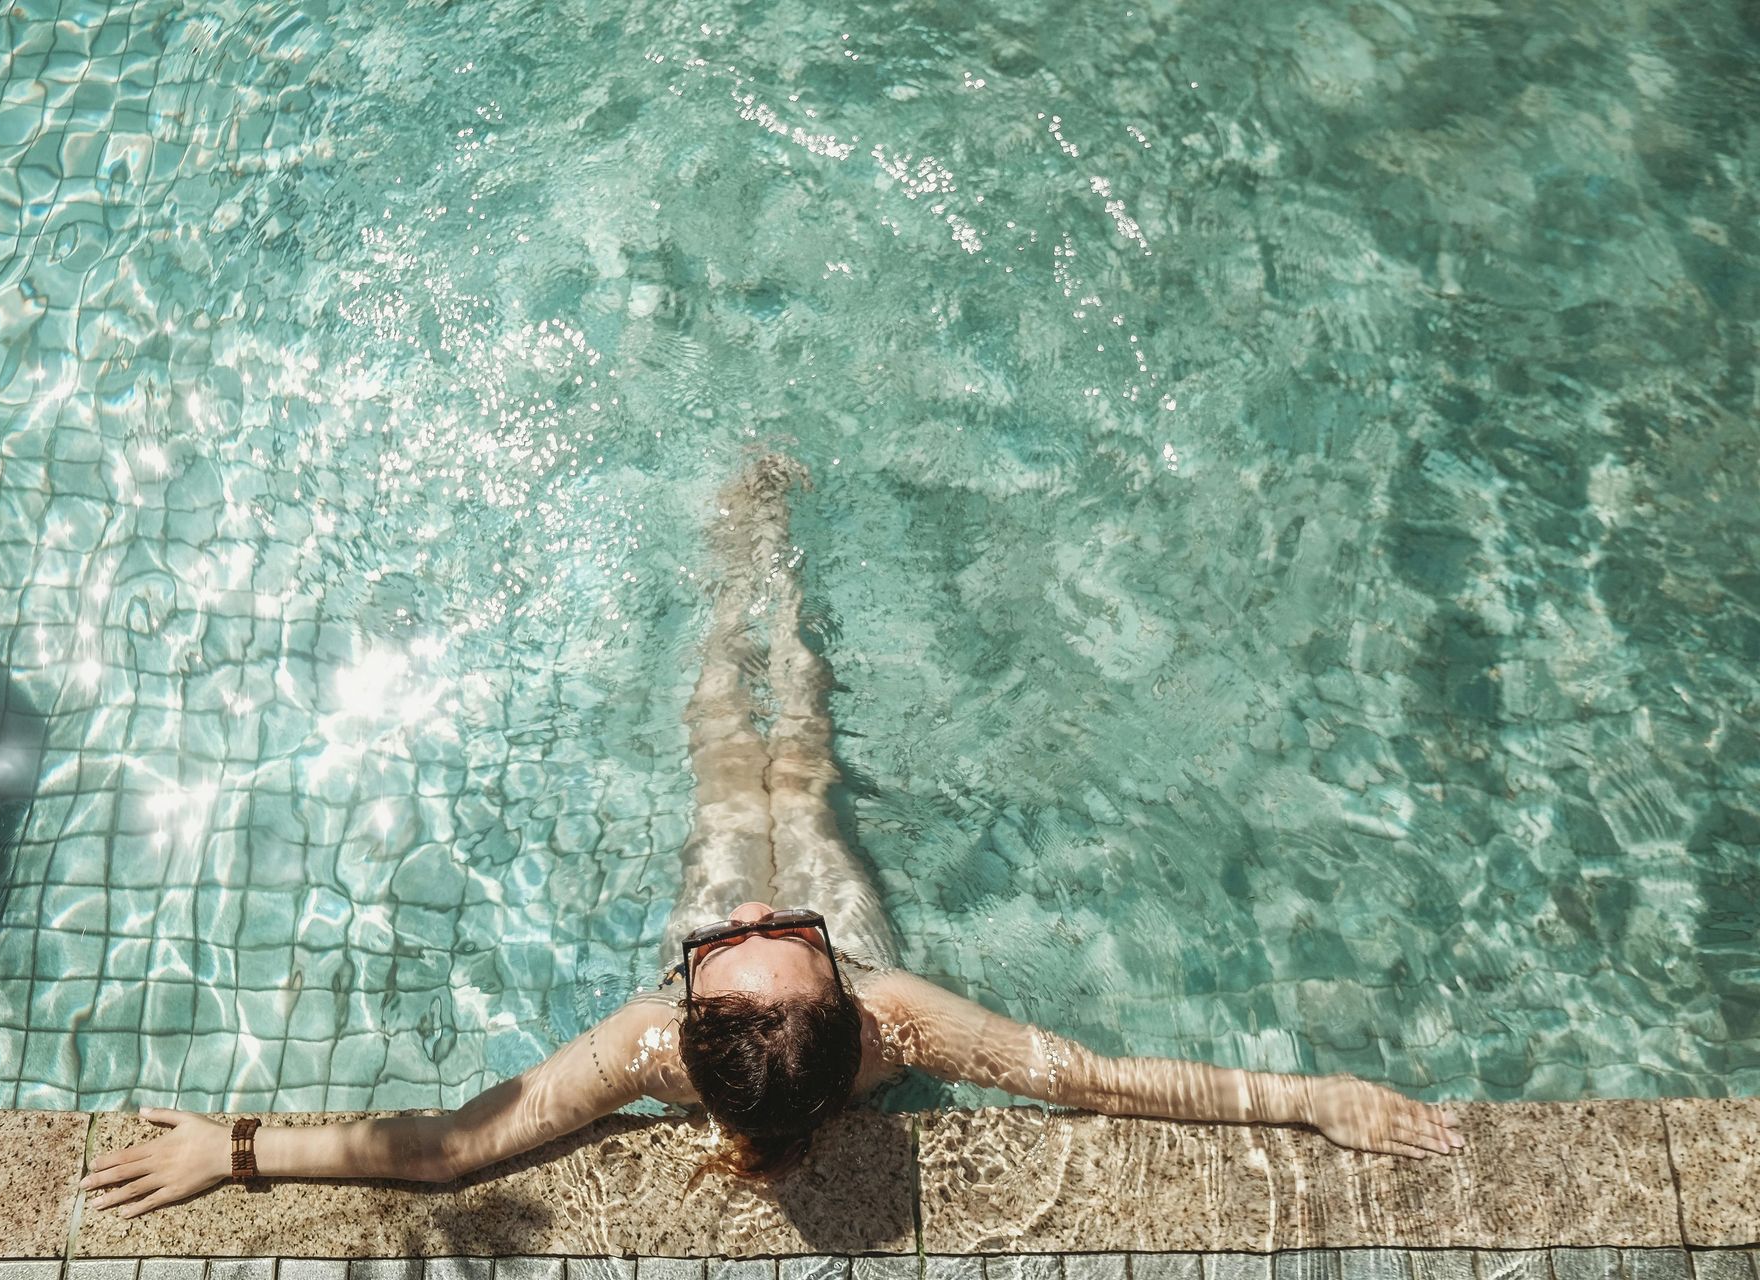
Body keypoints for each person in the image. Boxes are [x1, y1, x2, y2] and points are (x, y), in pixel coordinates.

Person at [82, 456, 1465, 1219]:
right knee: (797, 779)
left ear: (688, 1005)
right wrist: (1297, 1095)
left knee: (724, 769)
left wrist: (239, 1150)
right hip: (818, 928)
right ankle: (770, 577)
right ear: (832, 987)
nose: (754, 916)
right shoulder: (890, 1017)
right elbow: (1093, 1080)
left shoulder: (648, 1050)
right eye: (772, 938)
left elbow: (456, 1147)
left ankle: (738, 578)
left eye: (744, 945)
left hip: (755, 953)